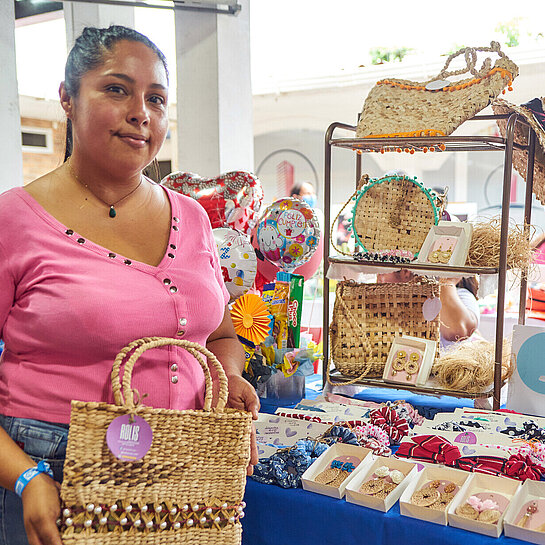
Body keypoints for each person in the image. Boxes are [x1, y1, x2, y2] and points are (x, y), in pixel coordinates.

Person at [0, 26, 259, 545]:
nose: (141, 112)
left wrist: (227, 377)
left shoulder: (192, 217)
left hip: (182, 473)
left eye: (156, 99)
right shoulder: (14, 220)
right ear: (68, 100)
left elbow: (221, 335)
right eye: (116, 89)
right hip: (52, 473)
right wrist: (25, 477)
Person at [376, 269, 480, 347]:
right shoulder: (391, 302)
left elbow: (457, 331)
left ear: (406, 272)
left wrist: (447, 282)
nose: (378, 279)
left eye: (382, 273)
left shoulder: (462, 295)